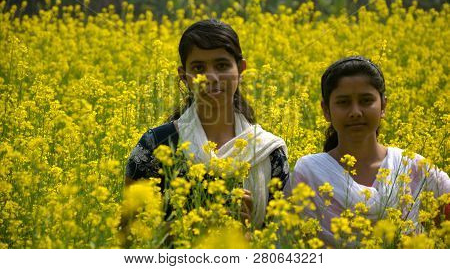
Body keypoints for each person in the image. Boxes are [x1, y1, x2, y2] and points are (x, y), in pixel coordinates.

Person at [125, 19, 290, 227]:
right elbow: (128, 236)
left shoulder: (269, 153)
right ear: (183, 76)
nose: (211, 77)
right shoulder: (156, 145)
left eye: (222, 65)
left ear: (240, 68)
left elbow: (281, 241)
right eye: (198, 67)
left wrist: (246, 230)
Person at [292, 56, 450, 246]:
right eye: (343, 102)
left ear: (383, 105)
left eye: (366, 101)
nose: (356, 112)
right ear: (326, 110)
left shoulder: (415, 168)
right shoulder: (309, 172)